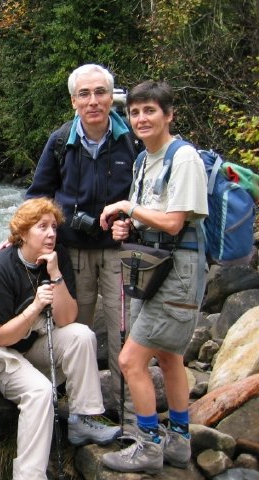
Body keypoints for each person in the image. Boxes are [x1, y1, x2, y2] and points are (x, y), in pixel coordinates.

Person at [99, 80, 208, 474]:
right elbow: (149, 218)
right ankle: (179, 441)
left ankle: (148, 445)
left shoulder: (184, 159)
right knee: (170, 356)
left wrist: (128, 206)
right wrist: (126, 226)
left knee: (130, 360)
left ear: (169, 114)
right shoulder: (145, 160)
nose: (141, 118)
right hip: (154, 267)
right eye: (135, 112)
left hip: (179, 273)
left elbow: (175, 223)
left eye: (150, 111)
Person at [0, 197, 121, 479]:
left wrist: (55, 275)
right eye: (42, 227)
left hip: (36, 344)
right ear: (22, 233)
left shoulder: (58, 257)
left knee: (82, 334)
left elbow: (67, 320)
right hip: (2, 355)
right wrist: (33, 308)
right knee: (41, 393)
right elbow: (0, 337)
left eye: (54, 227)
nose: (51, 234)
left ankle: (82, 417)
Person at [25, 63, 139, 411]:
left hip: (120, 249)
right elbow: (37, 196)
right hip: (73, 249)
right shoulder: (60, 141)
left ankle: (127, 409)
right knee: (76, 329)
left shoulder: (132, 140)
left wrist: (131, 223)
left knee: (125, 329)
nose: (93, 101)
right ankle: (77, 406)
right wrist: (30, 235)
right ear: (74, 101)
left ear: (111, 98)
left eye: (100, 92)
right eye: (84, 94)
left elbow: (148, 197)